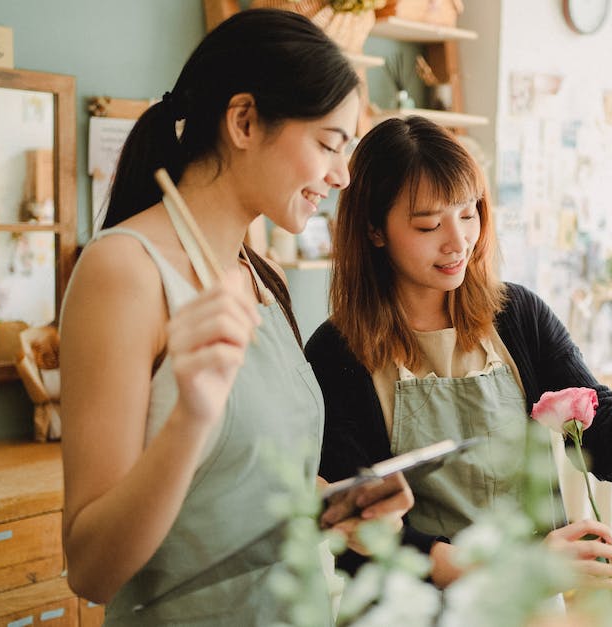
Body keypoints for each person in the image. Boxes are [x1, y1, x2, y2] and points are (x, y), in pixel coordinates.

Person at [305, 116, 612, 588]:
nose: (458, 242)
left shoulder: (516, 316)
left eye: (469, 214)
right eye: (428, 224)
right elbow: (363, 531)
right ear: (374, 230)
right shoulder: (336, 354)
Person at [60, 10, 411, 625]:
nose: (342, 175)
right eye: (330, 143)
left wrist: (336, 506)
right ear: (244, 121)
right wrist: (191, 417)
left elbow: (234, 496)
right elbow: (91, 570)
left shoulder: (260, 277)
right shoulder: (124, 271)